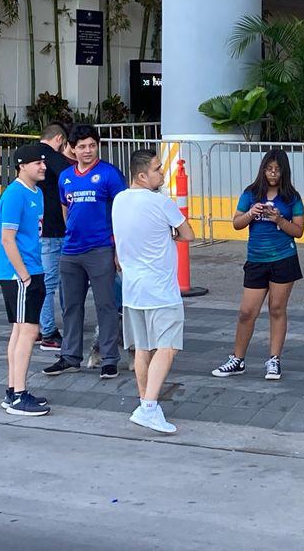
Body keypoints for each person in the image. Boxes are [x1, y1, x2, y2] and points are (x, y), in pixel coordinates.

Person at [111, 150, 195, 434]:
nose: (162, 174)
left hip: (133, 289)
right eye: (158, 169)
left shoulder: (119, 201)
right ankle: (148, 407)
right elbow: (188, 234)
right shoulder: (161, 203)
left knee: (142, 349)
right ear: (142, 175)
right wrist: (168, 235)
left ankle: (145, 402)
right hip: (160, 289)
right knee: (167, 347)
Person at [213, 149, 304, 380]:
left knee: (277, 309)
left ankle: (274, 360)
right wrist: (252, 214)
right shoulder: (251, 193)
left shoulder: (292, 198)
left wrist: (279, 219)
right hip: (256, 259)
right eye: (269, 169)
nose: (273, 174)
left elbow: (299, 230)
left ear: (284, 172)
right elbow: (236, 223)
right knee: (246, 312)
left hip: (283, 259)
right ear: (263, 170)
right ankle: (238, 359)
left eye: (277, 169)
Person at [44, 124, 125, 379]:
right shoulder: (65, 177)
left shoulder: (110, 175)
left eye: (92, 145)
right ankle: (69, 356)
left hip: (101, 249)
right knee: (71, 306)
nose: (87, 151)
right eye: (81, 147)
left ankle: (110, 359)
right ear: (72, 148)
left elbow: (122, 213)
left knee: (106, 305)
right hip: (71, 251)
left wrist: (117, 250)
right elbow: (66, 208)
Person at [0, 143, 51, 416]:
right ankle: (18, 395)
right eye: (36, 163)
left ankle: (13, 390)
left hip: (31, 270)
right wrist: (25, 276)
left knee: (20, 331)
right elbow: (7, 239)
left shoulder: (36, 193)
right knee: (28, 331)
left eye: (43, 162)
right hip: (19, 274)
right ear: (21, 166)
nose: (42, 166)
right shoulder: (16, 194)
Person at [34, 123, 70, 351]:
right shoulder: (57, 161)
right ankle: (48, 332)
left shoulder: (27, 156)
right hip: (54, 228)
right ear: (59, 139)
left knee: (40, 280)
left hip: (35, 227)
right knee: (50, 283)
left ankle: (38, 327)